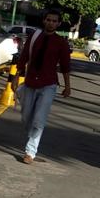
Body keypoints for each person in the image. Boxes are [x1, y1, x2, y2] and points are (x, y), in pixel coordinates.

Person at [13, 9, 71, 164]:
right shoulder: (34, 37)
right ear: (44, 21)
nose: (51, 23)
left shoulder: (61, 43)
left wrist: (67, 86)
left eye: (54, 21)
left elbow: (65, 66)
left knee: (39, 120)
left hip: (48, 85)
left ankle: (30, 152)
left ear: (58, 24)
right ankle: (31, 137)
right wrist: (15, 77)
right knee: (27, 118)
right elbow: (24, 57)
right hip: (30, 83)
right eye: (49, 20)